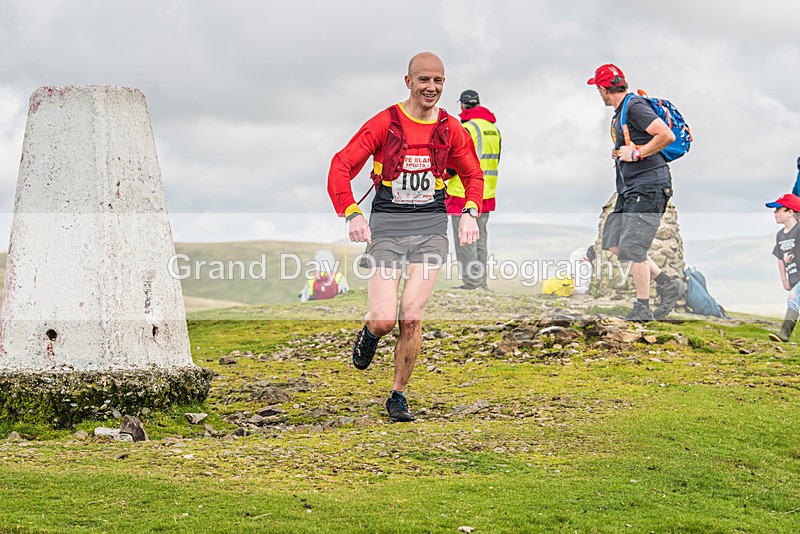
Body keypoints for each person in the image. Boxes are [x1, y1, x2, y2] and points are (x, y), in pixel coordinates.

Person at [327, 52, 484, 422]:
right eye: (424, 80)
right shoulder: (386, 122)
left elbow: (474, 174)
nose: (431, 88)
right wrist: (350, 212)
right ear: (409, 82)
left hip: (430, 229)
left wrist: (470, 212)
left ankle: (398, 395)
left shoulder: (451, 128)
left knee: (411, 316)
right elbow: (341, 165)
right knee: (384, 320)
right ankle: (370, 332)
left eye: (439, 81)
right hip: (387, 230)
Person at [587, 63, 685, 322]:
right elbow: (635, 142)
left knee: (634, 246)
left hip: (649, 185)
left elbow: (666, 136)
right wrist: (621, 151)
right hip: (630, 188)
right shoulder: (621, 111)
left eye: (598, 89)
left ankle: (642, 307)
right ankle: (667, 284)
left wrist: (639, 153)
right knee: (614, 241)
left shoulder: (635, 107)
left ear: (602, 88)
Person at [445, 90, 501, 289]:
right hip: (487, 192)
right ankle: (481, 283)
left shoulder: (467, 128)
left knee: (465, 238)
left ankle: (471, 283)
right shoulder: (493, 130)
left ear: (462, 106)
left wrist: (441, 176)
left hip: (464, 193)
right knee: (480, 240)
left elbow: (455, 163)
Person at [766, 194, 800, 342]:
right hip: (793, 276)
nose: (775, 213)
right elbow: (780, 258)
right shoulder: (780, 235)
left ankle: (783, 335)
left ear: (790, 212)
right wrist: (784, 279)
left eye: (778, 209)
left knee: (793, 299)